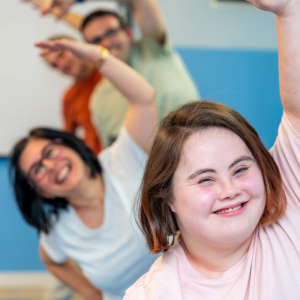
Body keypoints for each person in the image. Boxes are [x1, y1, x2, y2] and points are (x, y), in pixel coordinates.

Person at [124, 0, 300, 299]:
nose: (230, 189)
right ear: (167, 198)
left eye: (241, 169)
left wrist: (289, 10)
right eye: (205, 179)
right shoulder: (154, 294)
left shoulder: (289, 204)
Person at [10, 39, 158, 300]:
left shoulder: (123, 157)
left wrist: (97, 57)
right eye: (37, 170)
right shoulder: (57, 230)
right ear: (40, 190)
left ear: (69, 145)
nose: (51, 166)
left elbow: (144, 98)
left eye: (50, 152)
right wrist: (92, 294)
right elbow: (52, 260)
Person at [32, 0, 199, 147]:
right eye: (96, 41)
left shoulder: (154, 50)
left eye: (111, 33)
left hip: (200, 150)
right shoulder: (99, 100)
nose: (106, 42)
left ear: (128, 32)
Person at [42, 35, 103, 155]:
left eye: (61, 55)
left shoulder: (108, 70)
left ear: (76, 46)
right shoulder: (70, 97)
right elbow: (67, 138)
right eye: (55, 65)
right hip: (99, 160)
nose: (62, 65)